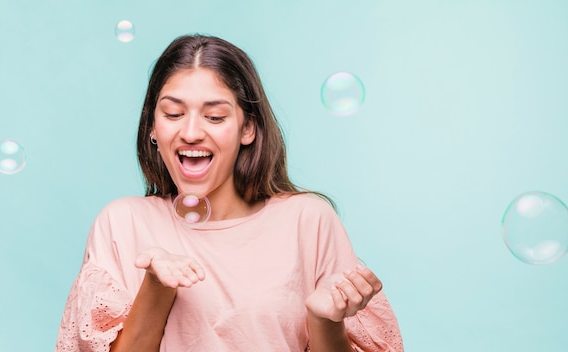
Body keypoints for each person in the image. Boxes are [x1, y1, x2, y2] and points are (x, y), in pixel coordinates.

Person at [56, 34, 403, 352]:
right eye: (173, 113)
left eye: (216, 117)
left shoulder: (308, 221)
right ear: (152, 127)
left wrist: (325, 321)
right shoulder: (122, 223)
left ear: (248, 128)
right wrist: (157, 287)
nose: (191, 132)